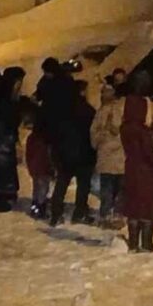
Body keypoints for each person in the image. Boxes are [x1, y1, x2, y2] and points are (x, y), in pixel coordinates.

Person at [120, 71, 153, 252]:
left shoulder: (125, 127)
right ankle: (146, 243)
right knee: (147, 205)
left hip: (130, 167)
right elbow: (149, 153)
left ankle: (134, 243)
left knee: (133, 205)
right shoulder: (143, 131)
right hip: (144, 170)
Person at [0, 67, 30, 212]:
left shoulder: (2, 93)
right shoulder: (5, 97)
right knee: (1, 170)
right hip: (2, 138)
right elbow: (7, 116)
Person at [50, 80, 96, 225]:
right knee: (83, 186)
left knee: (61, 184)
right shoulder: (89, 111)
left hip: (64, 153)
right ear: (82, 92)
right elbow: (93, 133)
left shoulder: (62, 111)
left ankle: (56, 214)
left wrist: (56, 153)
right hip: (84, 153)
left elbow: (56, 133)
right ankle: (80, 213)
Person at [90, 81, 125, 227]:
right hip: (120, 156)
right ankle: (116, 215)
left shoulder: (102, 111)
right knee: (117, 188)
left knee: (107, 188)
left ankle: (106, 215)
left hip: (107, 156)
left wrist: (98, 143)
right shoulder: (122, 109)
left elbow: (94, 133)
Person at [25, 108, 53, 220]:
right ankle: (40, 209)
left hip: (34, 167)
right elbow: (48, 155)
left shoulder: (32, 138)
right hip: (43, 167)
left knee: (36, 188)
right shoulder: (46, 140)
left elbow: (29, 153)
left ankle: (34, 207)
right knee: (43, 189)